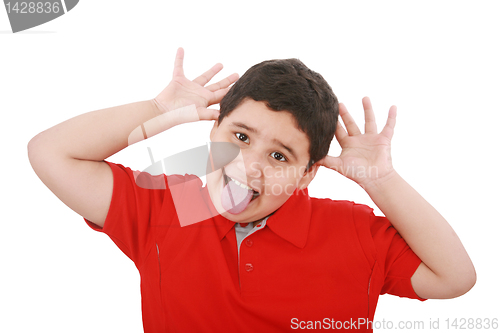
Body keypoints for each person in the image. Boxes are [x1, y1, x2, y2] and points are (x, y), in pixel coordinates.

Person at [28, 48, 476, 332]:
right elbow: (50, 153)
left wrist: (382, 182)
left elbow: (455, 277)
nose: (248, 166)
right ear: (213, 129)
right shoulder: (168, 209)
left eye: (280, 156)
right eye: (240, 137)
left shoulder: (353, 233)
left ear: (307, 174)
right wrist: (157, 109)